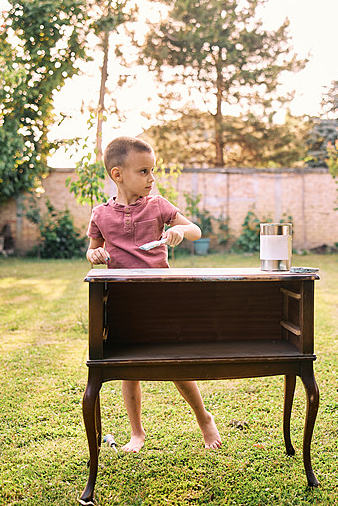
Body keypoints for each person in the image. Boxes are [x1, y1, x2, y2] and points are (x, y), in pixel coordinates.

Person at [86, 136, 222, 452]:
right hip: (122, 302)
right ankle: (137, 434)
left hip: (162, 299)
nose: (152, 179)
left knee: (174, 363)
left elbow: (195, 230)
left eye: (152, 171)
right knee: (128, 369)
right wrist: (95, 255)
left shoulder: (158, 206)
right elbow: (93, 249)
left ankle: (203, 418)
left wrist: (178, 230)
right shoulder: (100, 214)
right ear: (117, 175)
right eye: (144, 172)